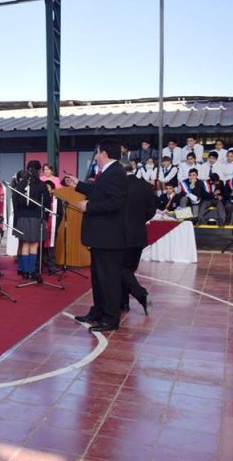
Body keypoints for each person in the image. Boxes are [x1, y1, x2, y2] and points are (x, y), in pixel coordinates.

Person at [64, 139, 127, 333]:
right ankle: (98, 311)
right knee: (98, 277)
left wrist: (89, 206)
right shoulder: (108, 172)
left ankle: (111, 318)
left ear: (104, 154)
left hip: (108, 235)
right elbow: (100, 191)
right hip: (100, 235)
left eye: (98, 153)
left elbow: (115, 202)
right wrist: (79, 185)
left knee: (108, 278)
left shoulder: (116, 172)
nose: (96, 156)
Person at [120, 164, 156, 314]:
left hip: (121, 234)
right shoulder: (146, 186)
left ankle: (141, 294)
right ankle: (124, 303)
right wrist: (140, 220)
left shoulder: (119, 186)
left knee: (120, 269)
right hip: (139, 234)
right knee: (128, 270)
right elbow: (152, 210)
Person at [12, 161, 49, 280]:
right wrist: (45, 219)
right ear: (38, 171)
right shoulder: (42, 185)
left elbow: (15, 203)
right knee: (34, 244)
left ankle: (25, 271)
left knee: (25, 244)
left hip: (22, 217)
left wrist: (17, 219)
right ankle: (31, 270)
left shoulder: (20, 184)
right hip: (36, 218)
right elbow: (47, 204)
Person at [42, 180, 64, 275]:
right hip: (42, 227)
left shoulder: (57, 200)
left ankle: (51, 267)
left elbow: (60, 214)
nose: (47, 190)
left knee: (51, 248)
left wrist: (55, 225)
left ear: (52, 190)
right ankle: (39, 266)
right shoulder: (41, 199)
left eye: (48, 188)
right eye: (45, 188)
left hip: (52, 228)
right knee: (40, 248)